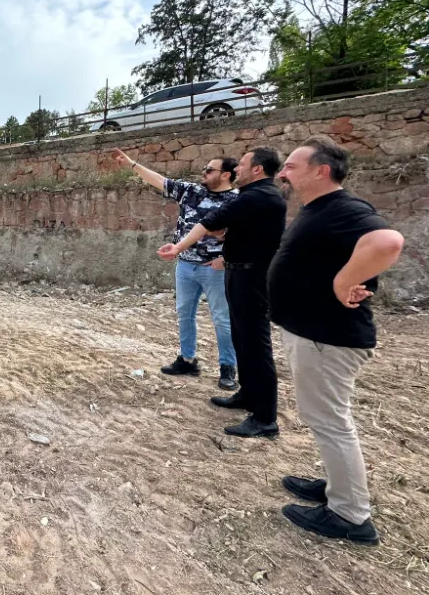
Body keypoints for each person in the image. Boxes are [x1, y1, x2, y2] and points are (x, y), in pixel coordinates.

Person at [269, 137, 404, 546]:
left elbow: (388, 242)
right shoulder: (321, 211)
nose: (283, 173)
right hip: (315, 335)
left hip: (328, 338)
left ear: (320, 171)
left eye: (291, 166)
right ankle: (336, 487)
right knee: (324, 419)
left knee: (330, 421)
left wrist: (344, 281)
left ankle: (349, 515)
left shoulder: (345, 208)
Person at [157, 148, 286, 438]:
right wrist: (225, 238)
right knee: (244, 338)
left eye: (242, 164)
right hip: (239, 271)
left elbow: (208, 222)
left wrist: (178, 247)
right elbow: (241, 233)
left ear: (257, 170)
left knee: (256, 345)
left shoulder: (257, 196)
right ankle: (248, 395)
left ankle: (265, 418)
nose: (237, 169)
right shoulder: (256, 198)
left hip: (252, 277)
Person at [111, 148, 239, 389]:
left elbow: (246, 236)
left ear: (226, 175)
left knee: (222, 319)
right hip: (185, 265)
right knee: (184, 313)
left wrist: (227, 257)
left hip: (215, 268)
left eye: (210, 170)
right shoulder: (192, 191)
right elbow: (160, 181)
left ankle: (227, 367)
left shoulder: (238, 200)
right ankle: (187, 360)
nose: (204, 172)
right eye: (204, 168)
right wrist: (132, 164)